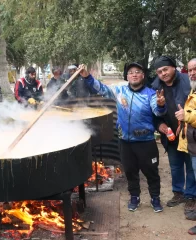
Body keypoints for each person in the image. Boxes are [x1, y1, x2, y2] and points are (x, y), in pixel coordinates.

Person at [79, 62, 166, 212]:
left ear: (143, 75)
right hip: (125, 141)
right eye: (131, 72)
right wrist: (87, 77)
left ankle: (155, 198)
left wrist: (160, 104)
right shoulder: (119, 91)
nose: (134, 74)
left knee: (151, 172)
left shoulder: (151, 94)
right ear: (127, 76)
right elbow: (101, 88)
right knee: (130, 172)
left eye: (137, 71)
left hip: (146, 142)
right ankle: (134, 197)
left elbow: (158, 112)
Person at [151, 56, 196, 212]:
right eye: (159, 72)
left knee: (191, 166)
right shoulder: (155, 88)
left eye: (165, 69)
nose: (163, 74)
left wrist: (184, 122)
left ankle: (191, 196)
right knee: (175, 166)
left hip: (190, 133)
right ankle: (178, 193)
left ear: (173, 67)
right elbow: (153, 113)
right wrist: (160, 125)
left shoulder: (188, 80)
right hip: (170, 135)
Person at [175, 59, 196, 233]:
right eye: (190, 70)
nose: (192, 73)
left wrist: (186, 117)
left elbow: (190, 115)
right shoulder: (193, 89)